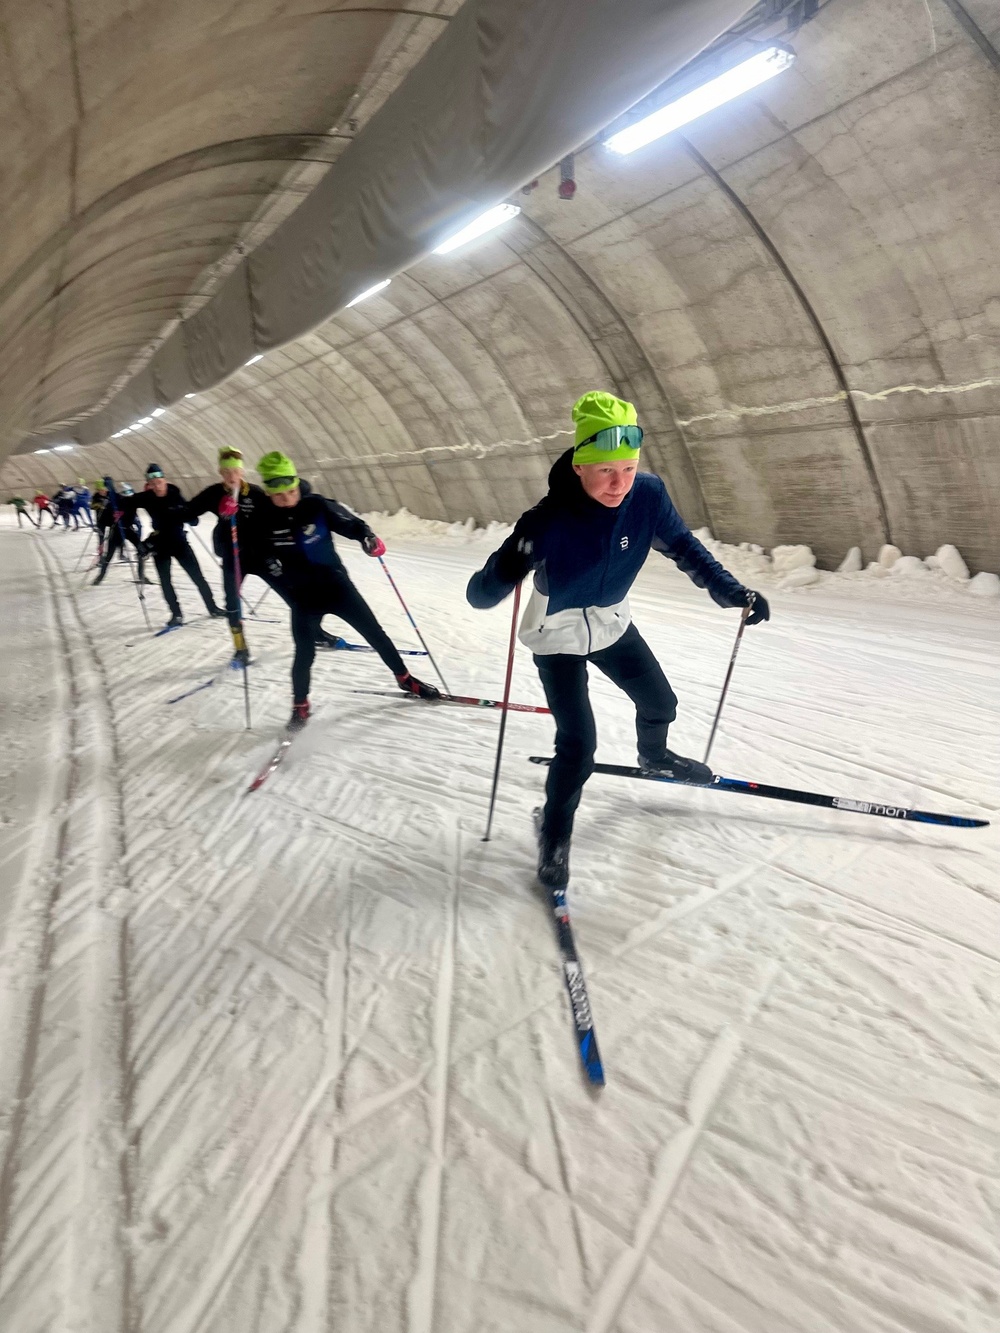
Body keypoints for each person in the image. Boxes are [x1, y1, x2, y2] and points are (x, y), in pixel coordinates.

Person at [466, 391, 770, 888]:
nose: (619, 483)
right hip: (556, 633)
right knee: (579, 746)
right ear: (580, 466)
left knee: (661, 702)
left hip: (611, 621)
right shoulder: (547, 520)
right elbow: (481, 596)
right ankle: (555, 835)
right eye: (606, 469)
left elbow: (685, 548)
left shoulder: (647, 495)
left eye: (628, 467)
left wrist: (734, 592)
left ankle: (654, 754)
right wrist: (508, 564)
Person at [256, 451, 439, 729]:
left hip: (337, 588)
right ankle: (300, 705)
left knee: (376, 634)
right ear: (269, 493)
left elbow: (350, 523)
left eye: (291, 491)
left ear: (296, 484)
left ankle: (405, 679)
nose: (286, 498)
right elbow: (258, 552)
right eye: (279, 495)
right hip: (302, 596)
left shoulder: (316, 505)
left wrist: (367, 537)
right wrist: (272, 566)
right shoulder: (264, 518)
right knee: (304, 652)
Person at [186, 447, 357, 663]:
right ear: (221, 472)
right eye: (227, 471)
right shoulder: (213, 494)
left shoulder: (257, 493)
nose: (232, 476)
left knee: (296, 596)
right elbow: (187, 511)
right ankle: (241, 648)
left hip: (260, 555)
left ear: (242, 472)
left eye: (235, 471)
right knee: (232, 602)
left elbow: (284, 507)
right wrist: (216, 514)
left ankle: (315, 633)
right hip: (234, 557)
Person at [122, 464, 224, 627]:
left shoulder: (175, 494)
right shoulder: (146, 497)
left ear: (164, 480)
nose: (157, 486)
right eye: (153, 484)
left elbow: (189, 510)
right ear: (149, 484)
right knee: (165, 581)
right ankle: (176, 614)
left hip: (179, 543)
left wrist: (192, 518)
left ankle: (213, 608)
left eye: (159, 482)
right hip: (159, 544)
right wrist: (110, 492)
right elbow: (124, 501)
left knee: (198, 577)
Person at [92, 477, 149, 585]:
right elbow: (105, 518)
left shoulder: (134, 500)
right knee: (109, 555)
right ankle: (100, 576)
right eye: (125, 496)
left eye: (130, 496)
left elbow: (145, 499)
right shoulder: (116, 501)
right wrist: (111, 517)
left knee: (142, 550)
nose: (128, 499)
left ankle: (141, 576)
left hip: (128, 529)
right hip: (117, 530)